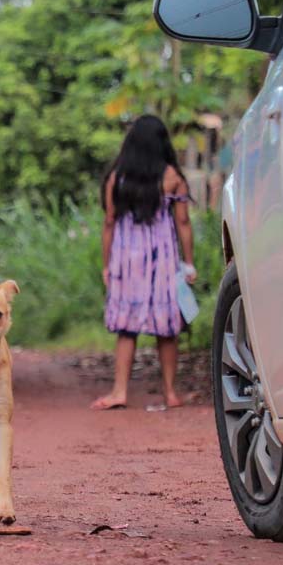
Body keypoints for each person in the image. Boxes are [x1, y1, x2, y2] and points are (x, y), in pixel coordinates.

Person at [91, 115, 197, 411]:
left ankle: (119, 391)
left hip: (126, 260)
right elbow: (184, 222)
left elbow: (109, 223)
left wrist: (107, 265)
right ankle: (170, 392)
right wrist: (188, 263)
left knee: (127, 328)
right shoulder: (173, 177)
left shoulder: (117, 178)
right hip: (161, 259)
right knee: (167, 329)